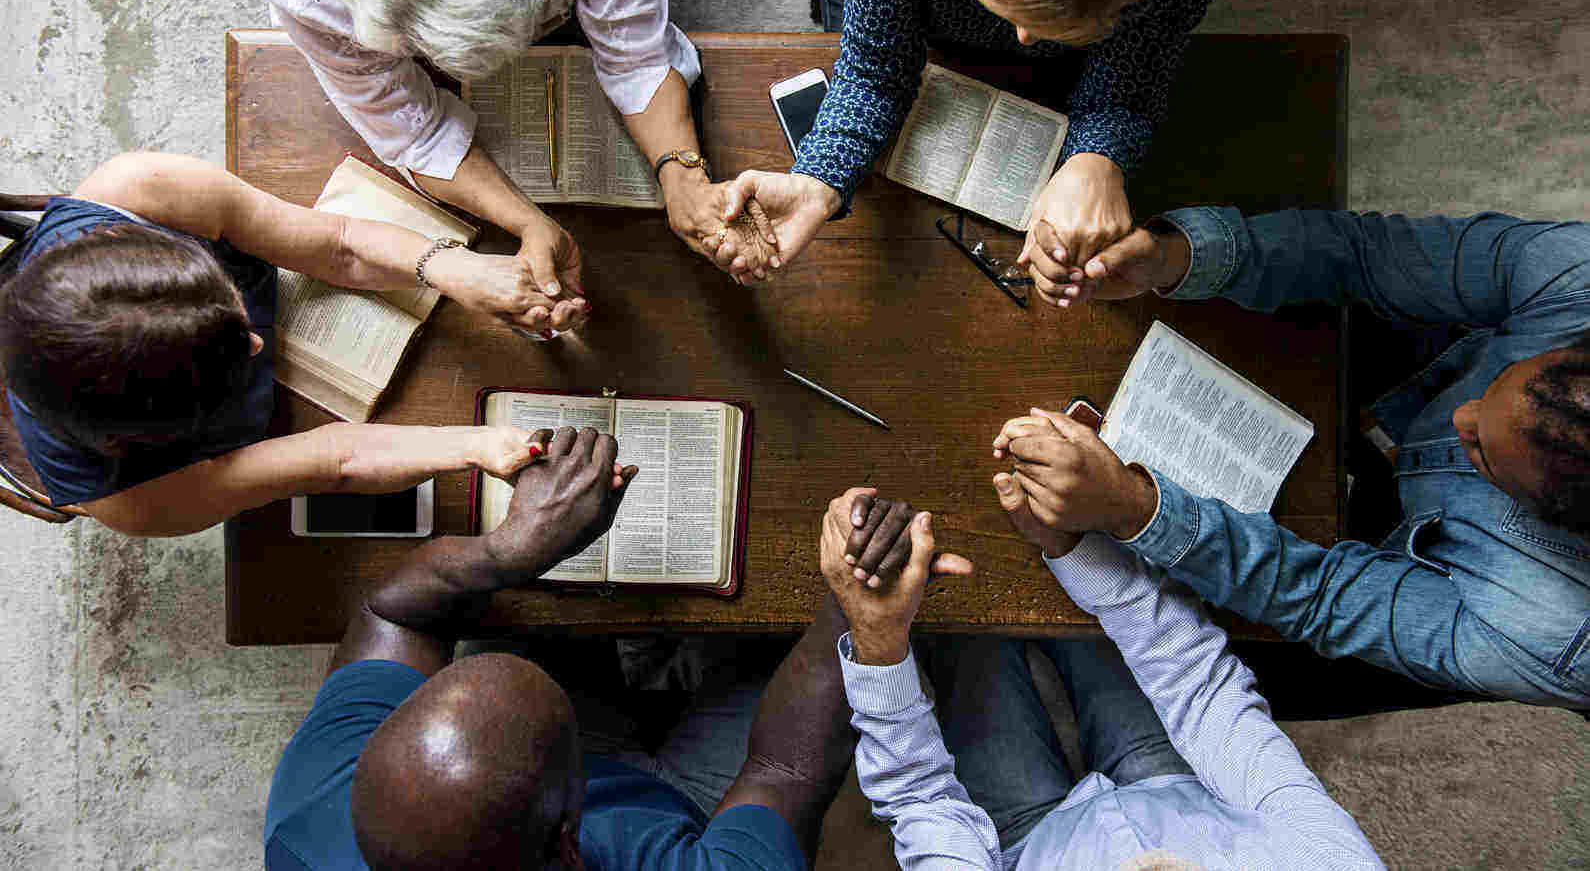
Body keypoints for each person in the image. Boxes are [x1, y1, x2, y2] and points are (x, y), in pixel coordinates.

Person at [994, 206, 1590, 709]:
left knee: (1219, 668)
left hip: (1403, 575)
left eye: (1483, 454)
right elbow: (1366, 254)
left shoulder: (1552, 633)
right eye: (1494, 383)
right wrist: (1176, 256)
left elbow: (1320, 596)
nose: (1461, 417)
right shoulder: (1578, 280)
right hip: (1389, 365)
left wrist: (1135, 509)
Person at [265, 425, 856, 870]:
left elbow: (391, 614)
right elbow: (786, 770)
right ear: (570, 843)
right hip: (696, 807)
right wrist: (855, 599)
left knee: (531, 614)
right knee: (808, 644)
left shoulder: (316, 813)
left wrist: (508, 551)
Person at [726, 0, 1241, 286]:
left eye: (1084, 18)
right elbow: (877, 67)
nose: (1025, 40)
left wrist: (1097, 158)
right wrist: (818, 181)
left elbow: (1136, 69)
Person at [266, 0, 774, 289]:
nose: (544, 27)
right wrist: (528, 223)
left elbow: (635, 45)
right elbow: (415, 132)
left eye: (553, 4)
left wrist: (682, 173)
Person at [0, 152, 581, 536]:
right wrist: (478, 445)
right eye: (229, 361)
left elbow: (339, 244)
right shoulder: (134, 500)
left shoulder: (135, 192)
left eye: (226, 298)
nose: (256, 342)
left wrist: (454, 269)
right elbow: (336, 461)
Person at [823, 485, 1384, 869]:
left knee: (959, 597)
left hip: (1025, 841)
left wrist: (879, 638)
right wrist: (1071, 545)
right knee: (1075, 560)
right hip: (1177, 786)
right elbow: (1203, 691)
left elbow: (921, 798)